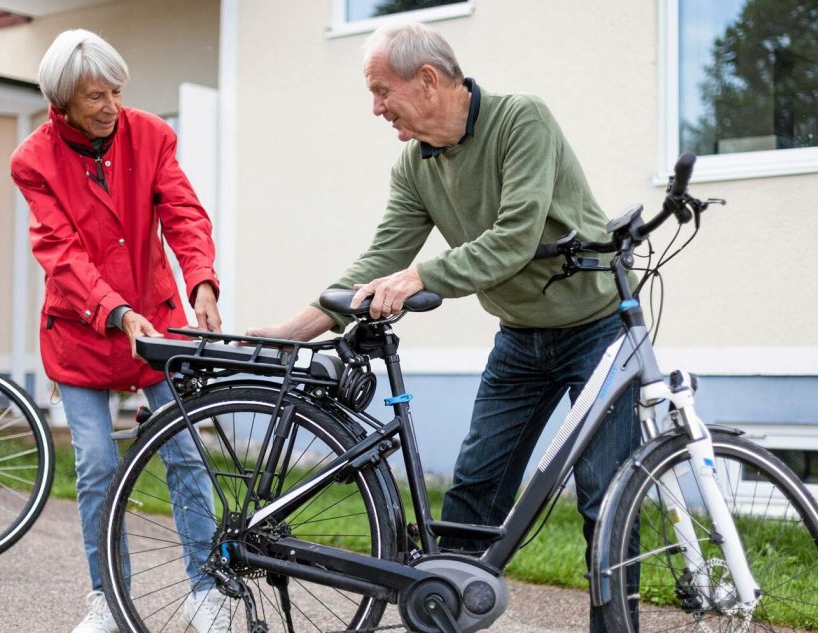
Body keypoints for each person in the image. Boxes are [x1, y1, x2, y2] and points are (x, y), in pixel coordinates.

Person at [247, 22, 639, 633]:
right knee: (473, 494)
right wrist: (296, 328)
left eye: (382, 91)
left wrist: (421, 275)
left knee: (605, 495)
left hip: (594, 327)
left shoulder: (521, 121)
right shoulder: (415, 165)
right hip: (519, 333)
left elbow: (515, 236)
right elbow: (381, 258)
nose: (375, 108)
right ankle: (447, 618)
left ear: (428, 80)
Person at [11, 30, 230, 633]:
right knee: (99, 464)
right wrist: (113, 310)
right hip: (81, 326)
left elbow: (182, 211)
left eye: (116, 91)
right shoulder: (33, 159)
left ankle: (205, 589)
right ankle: (107, 596)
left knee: (186, 451)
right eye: (93, 97)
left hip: (156, 319)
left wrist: (202, 281)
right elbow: (60, 252)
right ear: (61, 103)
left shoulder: (152, 135)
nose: (110, 107)